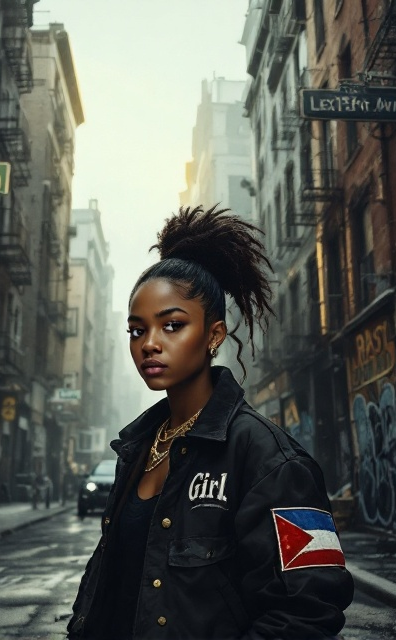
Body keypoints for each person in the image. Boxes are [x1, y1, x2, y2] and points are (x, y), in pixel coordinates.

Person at [67, 205, 354, 640]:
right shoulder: (137, 449)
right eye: (137, 330)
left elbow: (308, 611)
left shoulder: (271, 461)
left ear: (214, 335)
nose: (150, 344)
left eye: (172, 325)